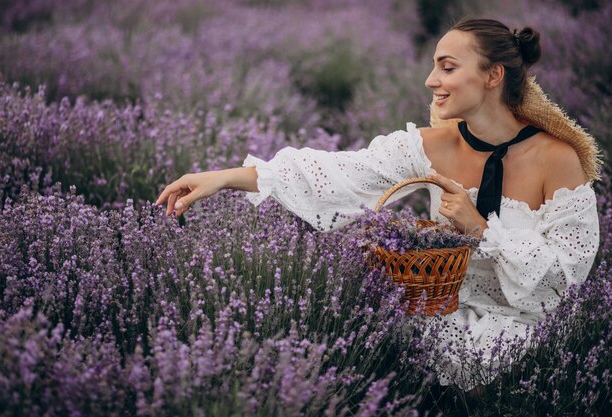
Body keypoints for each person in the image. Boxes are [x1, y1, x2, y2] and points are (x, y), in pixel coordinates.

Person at [155, 18, 601, 391]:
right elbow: (334, 173)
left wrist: (479, 228)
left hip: (530, 328)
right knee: (354, 335)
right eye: (433, 67)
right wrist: (226, 177)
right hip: (441, 312)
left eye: (447, 67)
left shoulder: (556, 159)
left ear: (492, 76)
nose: (431, 81)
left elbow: (567, 278)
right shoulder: (429, 145)